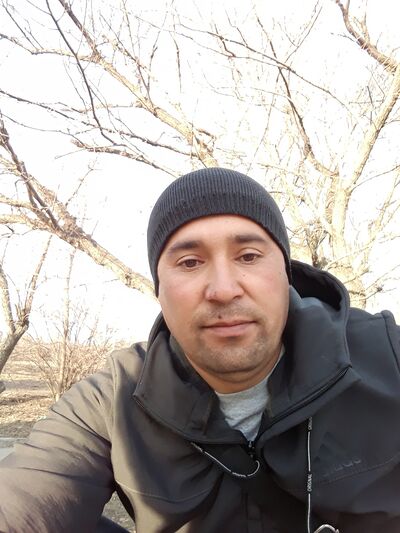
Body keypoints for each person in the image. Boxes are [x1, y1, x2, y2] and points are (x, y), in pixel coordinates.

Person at [0, 167, 399, 533]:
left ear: (285, 274)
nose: (223, 289)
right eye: (190, 262)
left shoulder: (388, 356)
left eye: (248, 256)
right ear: (159, 290)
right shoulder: (113, 401)